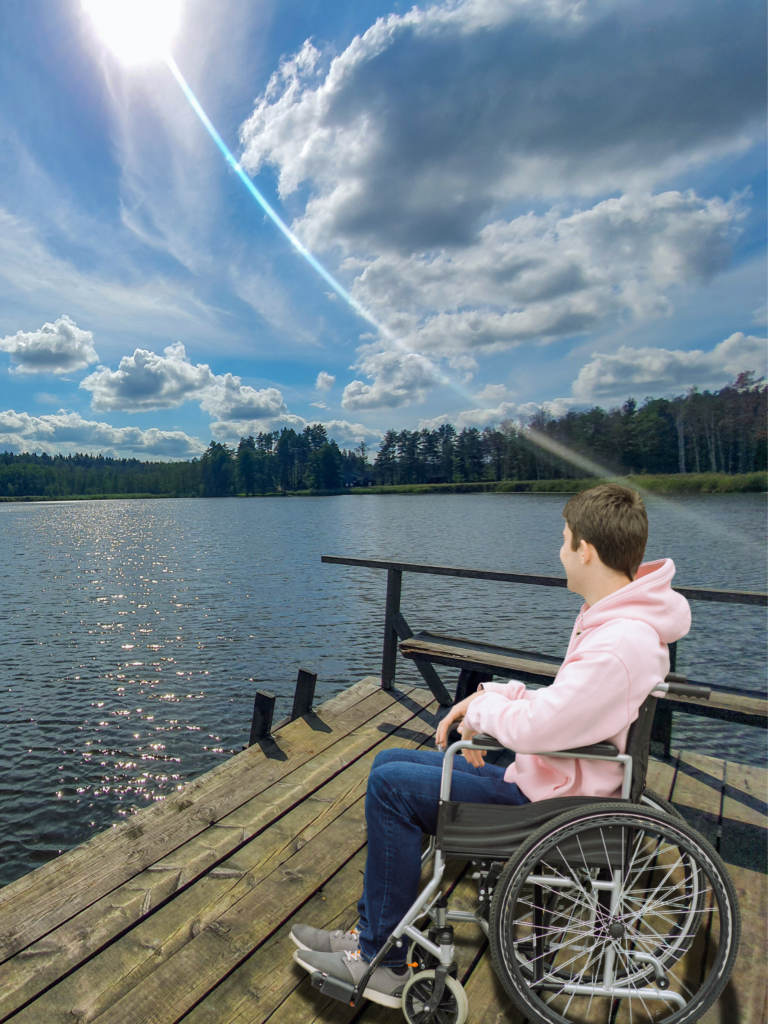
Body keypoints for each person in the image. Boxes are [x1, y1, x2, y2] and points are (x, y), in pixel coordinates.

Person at [291, 483, 691, 1009]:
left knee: (390, 786)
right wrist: (491, 697)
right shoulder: (622, 625)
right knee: (391, 761)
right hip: (556, 779)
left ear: (586, 552)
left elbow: (542, 724)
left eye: (564, 540)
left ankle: (379, 961)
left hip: (551, 807)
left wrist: (481, 713)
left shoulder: (618, 642)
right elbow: (568, 705)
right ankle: (376, 931)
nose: (559, 550)